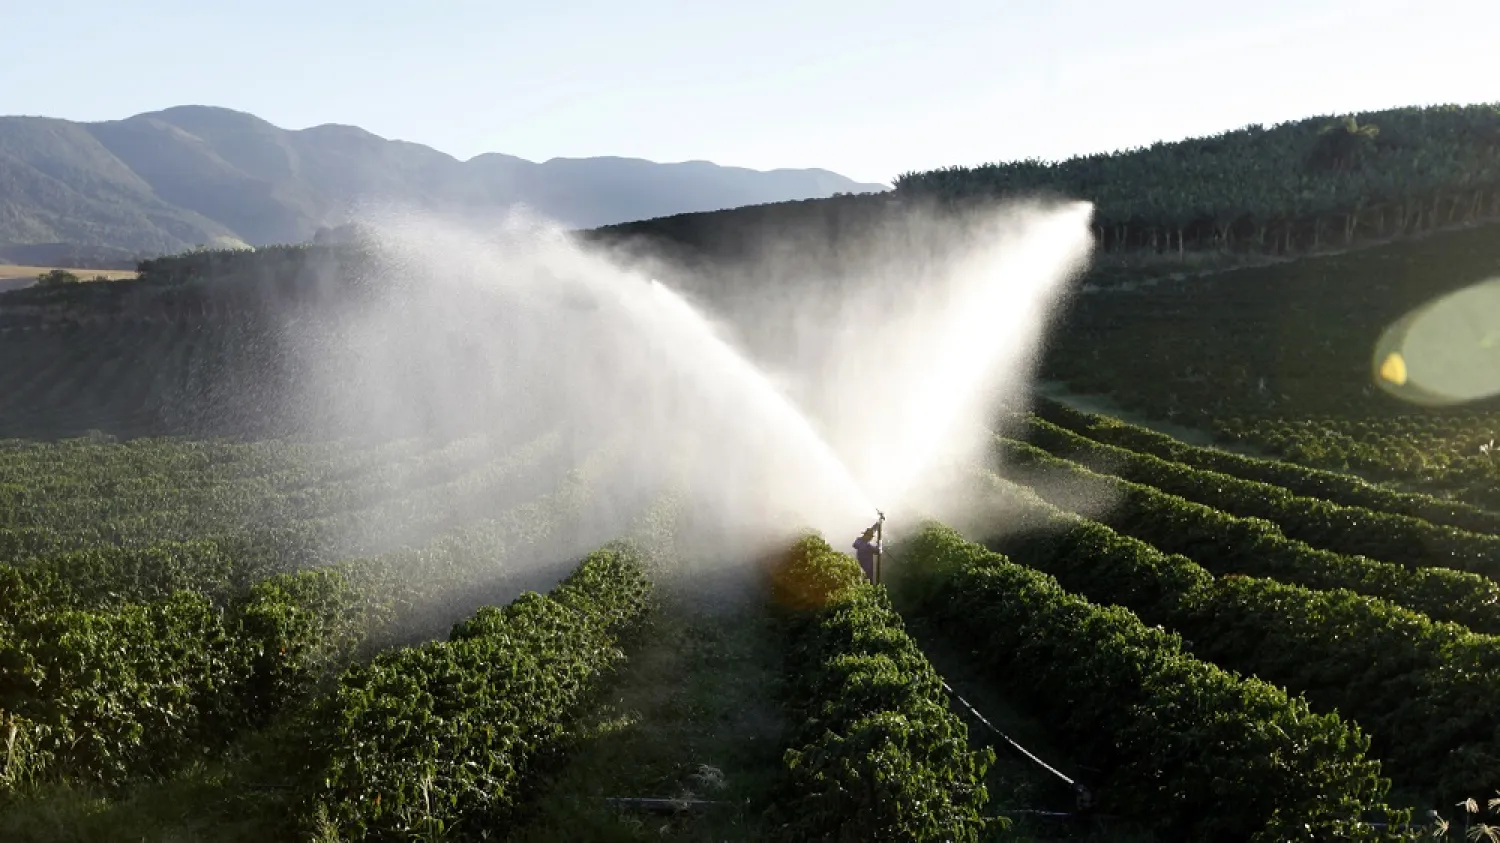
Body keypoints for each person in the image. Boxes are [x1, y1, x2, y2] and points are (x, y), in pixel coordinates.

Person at [853, 518, 883, 582]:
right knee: (867, 584)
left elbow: (872, 530)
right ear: (867, 536)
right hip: (867, 571)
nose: (871, 538)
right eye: (870, 537)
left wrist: (878, 523)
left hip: (858, 568)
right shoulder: (867, 546)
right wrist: (879, 542)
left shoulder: (859, 541)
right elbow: (879, 551)